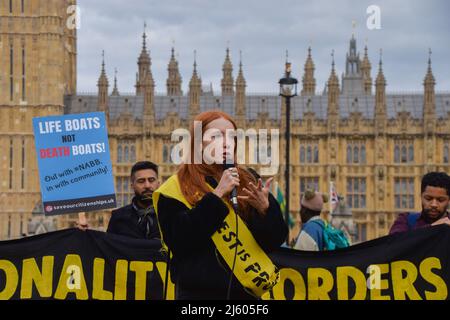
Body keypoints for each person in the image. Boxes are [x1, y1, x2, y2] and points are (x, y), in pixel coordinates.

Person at [153, 110, 288, 300]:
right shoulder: (175, 188)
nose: (226, 142)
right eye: (216, 136)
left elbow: (274, 240)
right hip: (199, 297)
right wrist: (216, 196)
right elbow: (179, 241)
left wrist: (265, 211)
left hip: (246, 297)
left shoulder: (247, 179)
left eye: (231, 137)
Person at [107, 161, 161, 239]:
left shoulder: (172, 216)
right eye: (141, 181)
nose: (147, 185)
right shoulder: (118, 217)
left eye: (151, 180)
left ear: (159, 184)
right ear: (132, 186)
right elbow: (108, 247)